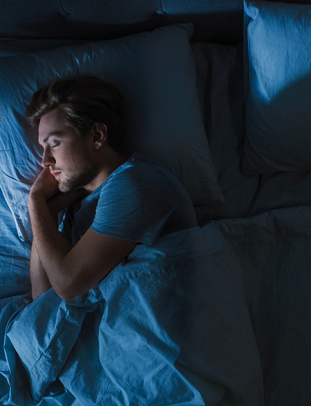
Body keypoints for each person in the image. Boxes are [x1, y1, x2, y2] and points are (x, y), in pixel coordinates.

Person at [24, 77, 197, 301]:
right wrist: (47, 212)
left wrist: (36, 202)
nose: (45, 161)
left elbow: (67, 284)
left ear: (97, 136)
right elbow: (43, 301)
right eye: (43, 147)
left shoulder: (134, 184)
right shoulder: (76, 204)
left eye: (55, 143)